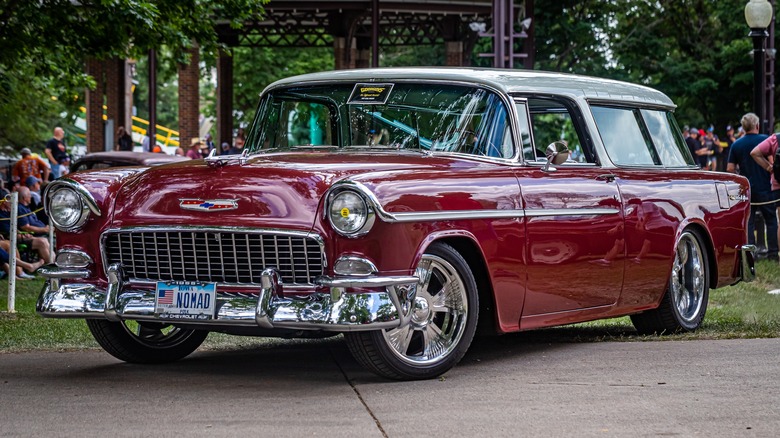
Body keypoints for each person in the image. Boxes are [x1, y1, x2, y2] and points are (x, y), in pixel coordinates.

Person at [729, 113, 775, 260]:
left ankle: (750, 254)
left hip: (747, 189)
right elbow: (772, 162)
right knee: (771, 220)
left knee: (748, 221)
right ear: (757, 125)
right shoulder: (765, 140)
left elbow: (730, 168)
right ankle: (773, 253)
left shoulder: (736, 144)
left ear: (743, 127)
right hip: (766, 187)